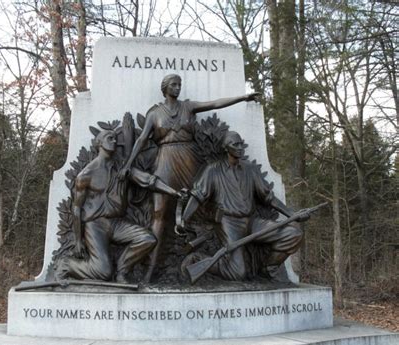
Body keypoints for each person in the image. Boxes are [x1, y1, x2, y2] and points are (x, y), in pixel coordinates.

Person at [119, 74, 260, 282]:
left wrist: (243, 97)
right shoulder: (155, 114)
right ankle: (149, 271)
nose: (177, 88)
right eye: (173, 85)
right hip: (165, 162)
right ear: (165, 88)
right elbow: (141, 140)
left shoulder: (188, 107)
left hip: (189, 161)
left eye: (179, 85)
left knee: (200, 207)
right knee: (159, 215)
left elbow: (214, 103)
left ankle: (209, 261)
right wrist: (128, 164)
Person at [179, 131, 308, 281]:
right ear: (226, 147)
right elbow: (197, 197)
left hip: (251, 222)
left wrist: (292, 214)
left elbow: (269, 198)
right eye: (236, 145)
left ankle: (269, 268)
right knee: (237, 273)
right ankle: (197, 260)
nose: (240, 147)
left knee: (293, 234)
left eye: (241, 144)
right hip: (228, 224)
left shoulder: (250, 169)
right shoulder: (212, 170)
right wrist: (183, 219)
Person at [56, 129, 180, 284]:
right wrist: (78, 240)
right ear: (99, 143)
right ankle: (67, 265)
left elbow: (148, 180)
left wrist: (174, 192)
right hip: (95, 225)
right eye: (110, 138)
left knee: (147, 239)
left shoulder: (122, 167)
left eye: (115, 138)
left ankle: (122, 271)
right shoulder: (85, 175)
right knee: (103, 271)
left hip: (116, 223)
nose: (115, 141)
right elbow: (76, 208)